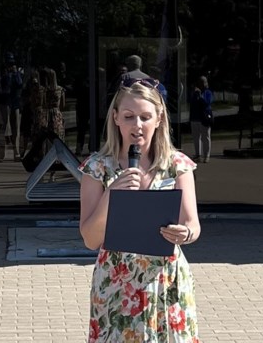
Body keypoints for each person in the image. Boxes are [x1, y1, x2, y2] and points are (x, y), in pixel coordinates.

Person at [78, 75, 201, 342]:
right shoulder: (98, 168)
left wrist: (185, 233)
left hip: (166, 281)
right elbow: (90, 239)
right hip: (116, 283)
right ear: (115, 118)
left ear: (159, 120)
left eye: (145, 117)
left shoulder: (177, 164)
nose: (137, 125)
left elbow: (193, 225)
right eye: (129, 116)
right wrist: (111, 195)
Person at [0, 52, 23, 162]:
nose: (10, 65)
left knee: (16, 128)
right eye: (8, 62)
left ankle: (17, 153)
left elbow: (20, 84)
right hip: (2, 103)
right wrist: (6, 75)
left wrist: (15, 73)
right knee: (2, 128)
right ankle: (0, 155)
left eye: (11, 62)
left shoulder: (16, 72)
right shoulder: (1, 72)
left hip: (14, 103)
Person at [189, 76, 214, 163]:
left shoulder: (208, 93)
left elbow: (207, 103)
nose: (202, 84)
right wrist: (195, 95)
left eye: (204, 82)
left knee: (206, 137)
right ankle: (198, 155)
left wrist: (200, 96)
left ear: (206, 83)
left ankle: (206, 155)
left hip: (204, 118)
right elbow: (191, 103)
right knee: (196, 138)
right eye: (200, 82)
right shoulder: (194, 93)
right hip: (195, 118)